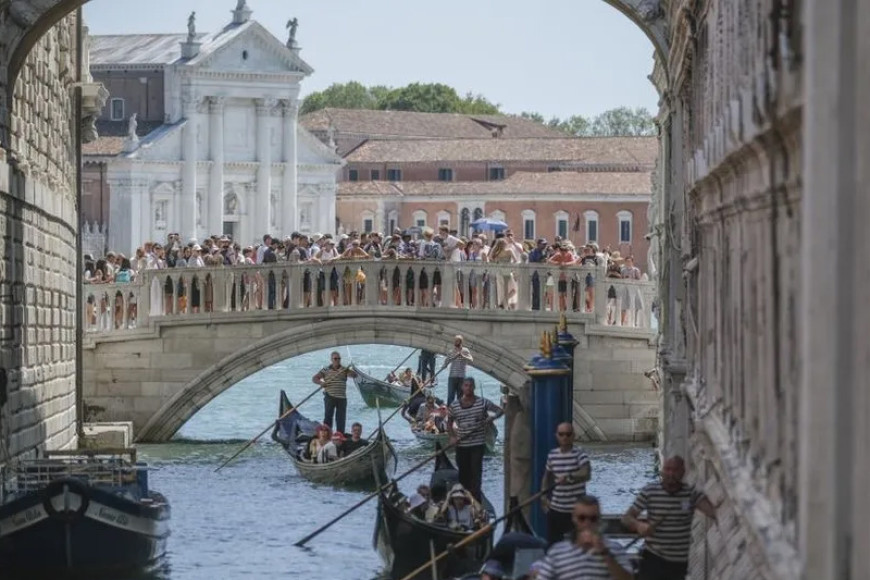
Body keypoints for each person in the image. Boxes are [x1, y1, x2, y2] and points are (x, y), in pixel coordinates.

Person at [622, 456, 718, 580]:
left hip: (678, 562)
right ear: (662, 471)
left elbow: (711, 511)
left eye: (675, 470)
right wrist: (639, 525)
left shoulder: (691, 494)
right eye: (667, 469)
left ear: (683, 472)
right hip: (653, 558)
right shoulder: (649, 491)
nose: (671, 474)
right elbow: (626, 518)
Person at [537, 495, 633, 580]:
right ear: (574, 518)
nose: (587, 523)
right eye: (582, 518)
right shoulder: (557, 551)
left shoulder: (614, 549)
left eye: (593, 519)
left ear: (599, 520)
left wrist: (605, 553)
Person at [447, 377, 504, 502]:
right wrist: (452, 437)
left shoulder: (483, 402)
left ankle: (476, 502)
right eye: (466, 385)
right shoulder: (455, 405)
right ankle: (464, 501)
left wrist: (492, 418)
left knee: (476, 475)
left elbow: (500, 410)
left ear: (474, 388)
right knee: (463, 475)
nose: (468, 388)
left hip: (477, 445)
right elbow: (449, 422)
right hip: (461, 444)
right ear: (462, 387)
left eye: (470, 386)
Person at [540, 422, 592, 546]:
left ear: (573, 436)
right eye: (561, 434)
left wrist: (570, 476)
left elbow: (586, 473)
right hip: (556, 509)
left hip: (576, 510)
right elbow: (547, 477)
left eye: (568, 434)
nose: (564, 437)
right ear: (556, 436)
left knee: (578, 546)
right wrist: (543, 496)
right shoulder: (552, 455)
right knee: (553, 545)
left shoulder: (580, 455)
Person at [311, 351, 357, 434]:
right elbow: (314, 378)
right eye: (335, 359)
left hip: (342, 398)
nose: (337, 360)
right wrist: (321, 383)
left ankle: (340, 436)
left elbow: (354, 375)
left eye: (339, 359)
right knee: (328, 418)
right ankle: (326, 435)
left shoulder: (344, 369)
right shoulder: (325, 370)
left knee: (341, 419)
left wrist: (352, 370)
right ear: (331, 359)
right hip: (330, 396)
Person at [442, 335, 473, 406]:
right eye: (455, 341)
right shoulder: (451, 351)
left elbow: (471, 360)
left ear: (460, 342)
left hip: (461, 377)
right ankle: (450, 410)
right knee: (450, 395)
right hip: (452, 376)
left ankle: (460, 410)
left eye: (457, 341)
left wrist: (463, 356)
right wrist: (444, 365)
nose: (455, 342)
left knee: (460, 396)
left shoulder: (465, 351)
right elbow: (446, 362)